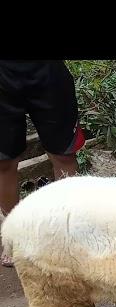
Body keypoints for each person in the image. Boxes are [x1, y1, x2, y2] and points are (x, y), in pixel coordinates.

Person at [0, 61, 84, 267]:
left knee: (64, 156)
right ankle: (14, 234)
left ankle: (67, 228)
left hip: (47, 69)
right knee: (3, 162)